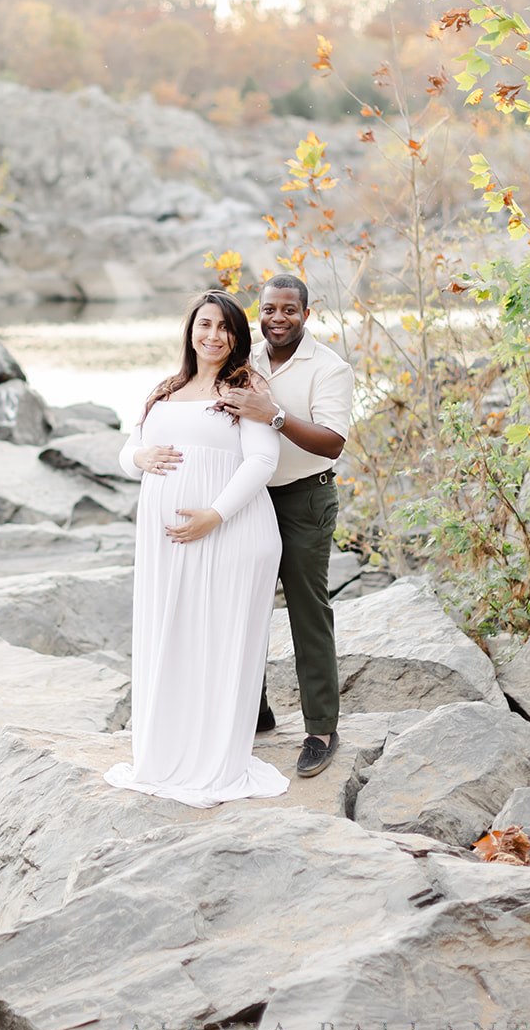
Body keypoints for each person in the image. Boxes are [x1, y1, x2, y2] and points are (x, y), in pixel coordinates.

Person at [104, 290, 289, 808]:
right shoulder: (168, 388)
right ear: (190, 329)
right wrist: (140, 456)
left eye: (224, 327)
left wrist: (214, 514)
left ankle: (213, 757)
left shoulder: (246, 386)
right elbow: (126, 449)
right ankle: (167, 751)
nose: (213, 335)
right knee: (172, 637)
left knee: (218, 640)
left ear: (238, 337)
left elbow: (261, 461)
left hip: (232, 532)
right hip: (168, 545)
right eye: (204, 324)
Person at [216, 274, 354, 779]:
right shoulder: (241, 356)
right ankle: (255, 714)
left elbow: (333, 443)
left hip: (304, 498)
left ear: (306, 314)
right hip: (247, 497)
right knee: (242, 604)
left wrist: (273, 415)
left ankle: (321, 729)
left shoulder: (330, 368)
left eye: (288, 311)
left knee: (306, 612)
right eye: (269, 309)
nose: (278, 319)